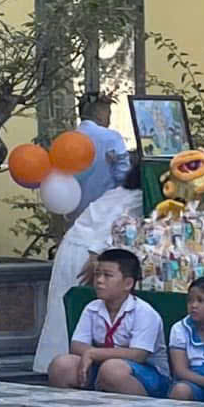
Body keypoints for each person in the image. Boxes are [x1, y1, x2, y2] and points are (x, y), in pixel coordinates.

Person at [34, 143, 146, 373]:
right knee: (73, 307)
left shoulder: (118, 191)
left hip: (73, 246)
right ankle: (64, 366)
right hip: (88, 253)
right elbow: (112, 226)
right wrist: (96, 258)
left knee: (60, 306)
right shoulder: (136, 198)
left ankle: (54, 363)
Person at [47, 248, 169, 396]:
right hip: (102, 365)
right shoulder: (92, 308)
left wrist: (94, 353)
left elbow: (138, 354)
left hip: (148, 373)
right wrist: (92, 354)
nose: (99, 280)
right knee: (61, 365)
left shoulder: (144, 312)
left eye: (107, 275)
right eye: (97, 274)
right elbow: (77, 345)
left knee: (112, 370)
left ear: (128, 283)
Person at [71, 92, 134, 216]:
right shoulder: (111, 138)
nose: (109, 120)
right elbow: (123, 176)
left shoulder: (68, 140)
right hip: (105, 211)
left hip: (75, 212)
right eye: (108, 114)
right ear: (99, 114)